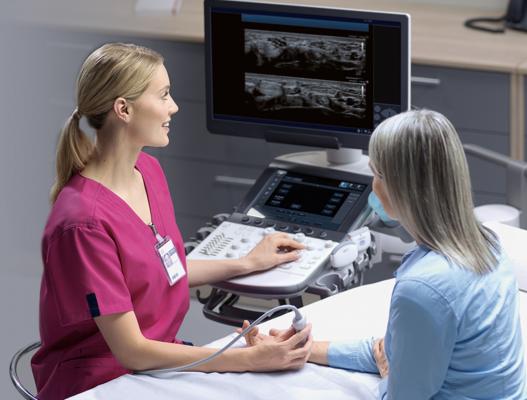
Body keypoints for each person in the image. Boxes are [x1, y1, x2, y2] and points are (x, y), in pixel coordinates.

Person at [31, 43, 312, 400]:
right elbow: (132, 351)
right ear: (124, 109)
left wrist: (247, 263)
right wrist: (246, 359)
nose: (174, 106)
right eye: (163, 95)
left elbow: (162, 270)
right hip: (103, 382)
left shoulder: (147, 171)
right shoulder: (83, 224)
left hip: (155, 365)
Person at [244, 110, 526, 399]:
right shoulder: (488, 245)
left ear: (406, 189)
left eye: (377, 173)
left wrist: (389, 375)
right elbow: (388, 351)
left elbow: (400, 384)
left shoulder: (423, 289)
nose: (373, 185)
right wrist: (302, 349)